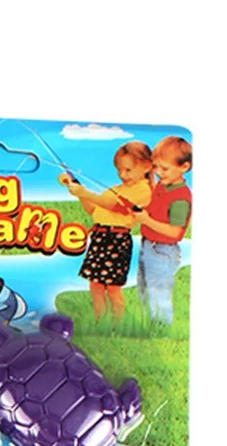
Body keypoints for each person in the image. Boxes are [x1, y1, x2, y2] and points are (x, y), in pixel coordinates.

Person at [60, 141, 153, 322]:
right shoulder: (115, 190)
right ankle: (100, 321)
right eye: (119, 170)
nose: (123, 175)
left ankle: (118, 324)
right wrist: (79, 192)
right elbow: (94, 210)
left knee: (113, 287)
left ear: (147, 166)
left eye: (128, 170)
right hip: (100, 237)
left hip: (117, 240)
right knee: (95, 284)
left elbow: (114, 206)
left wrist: (86, 193)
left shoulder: (144, 190)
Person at [134, 136, 193, 325]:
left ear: (184, 167)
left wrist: (146, 220)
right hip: (148, 246)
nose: (159, 172)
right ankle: (150, 326)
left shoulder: (181, 198)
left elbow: (175, 233)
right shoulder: (163, 184)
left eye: (164, 168)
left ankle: (162, 327)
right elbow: (155, 203)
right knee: (144, 288)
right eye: (156, 167)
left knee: (159, 292)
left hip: (162, 251)